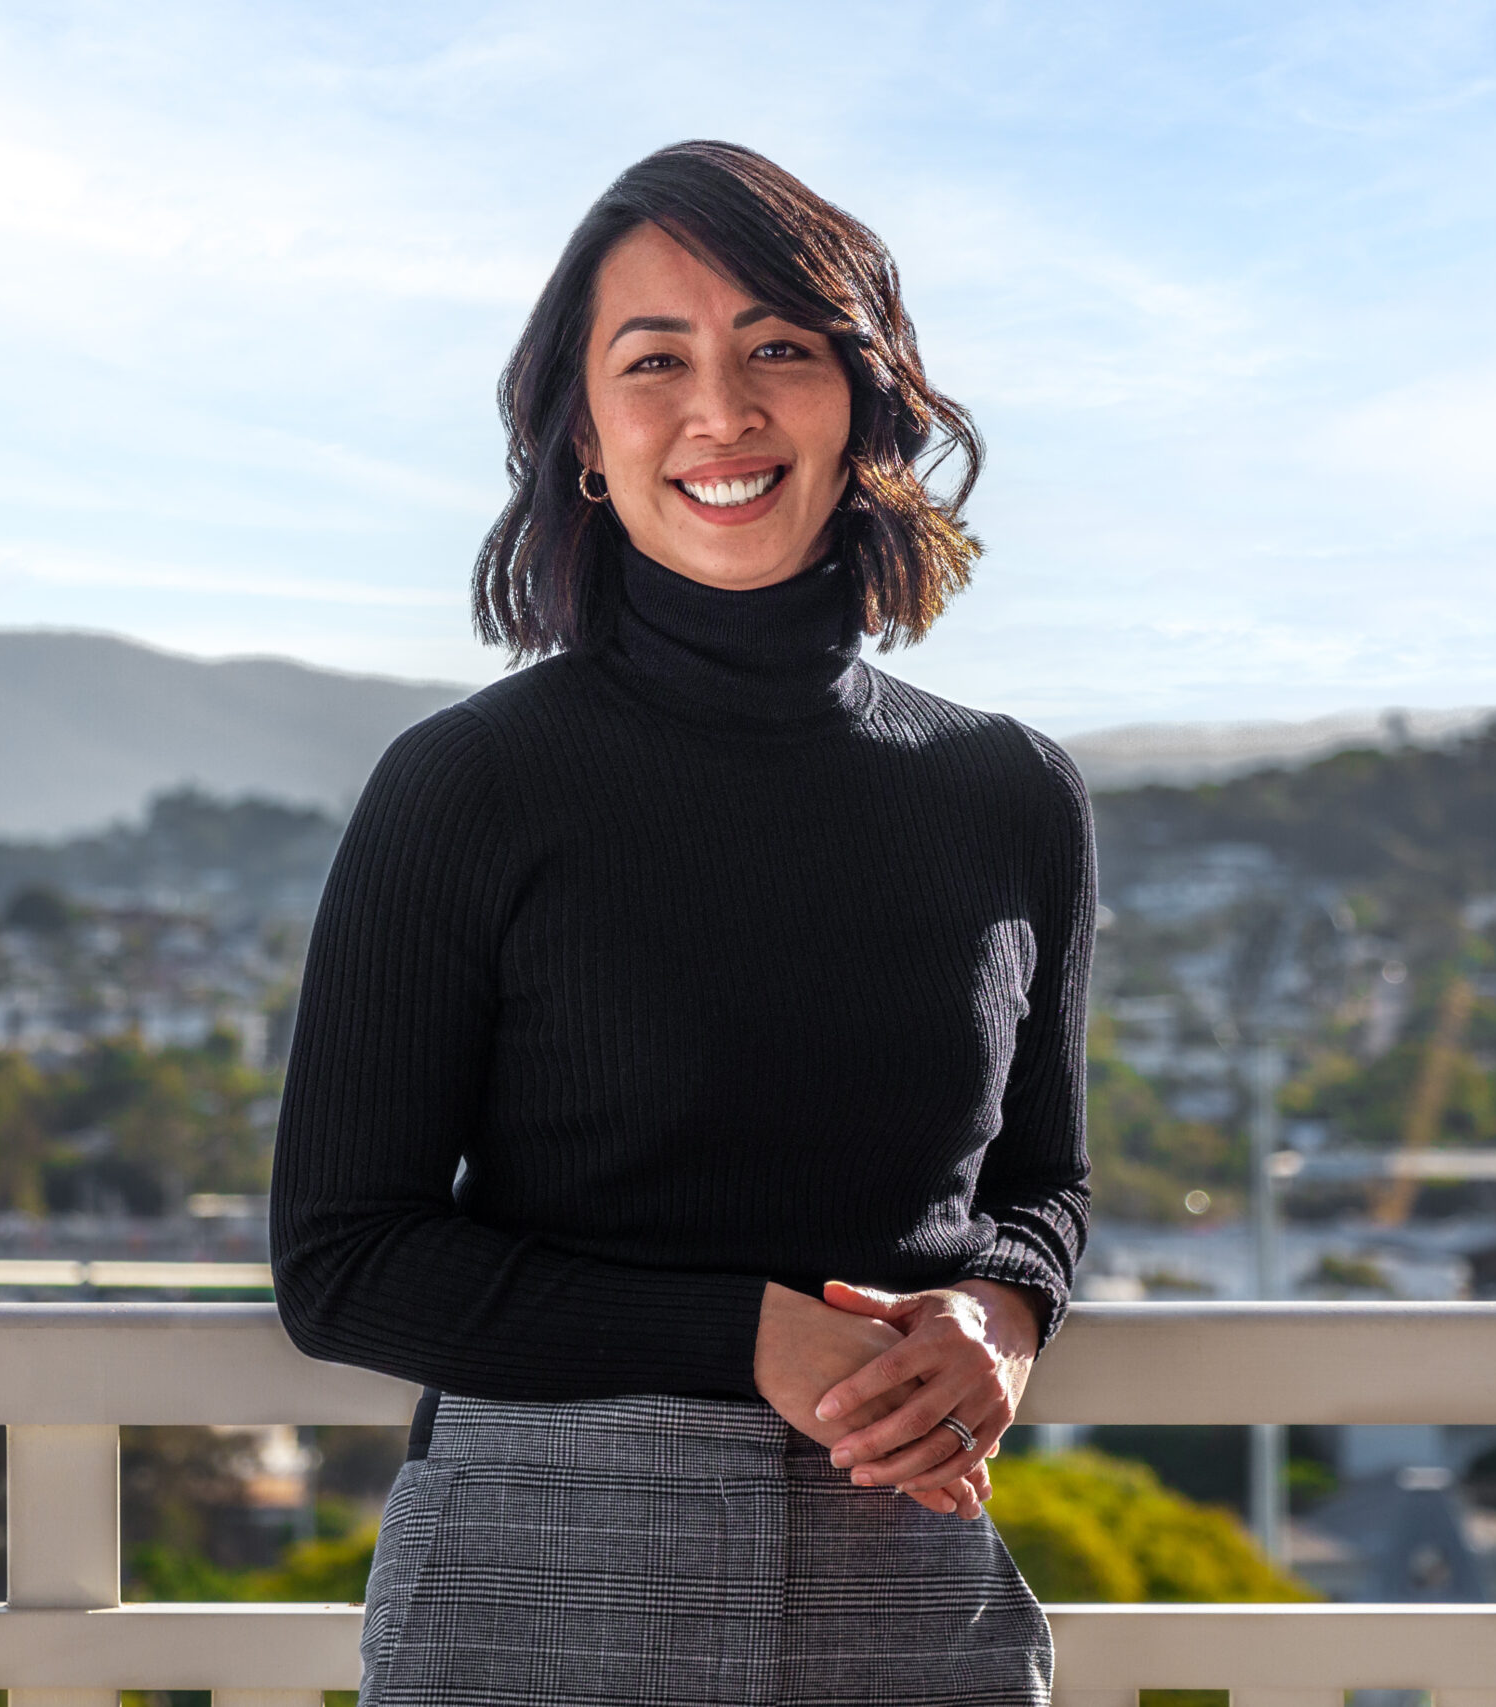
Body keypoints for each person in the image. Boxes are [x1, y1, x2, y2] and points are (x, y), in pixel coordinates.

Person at [269, 139, 1094, 1707]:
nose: (722, 412)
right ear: (585, 433)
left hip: (903, 1571)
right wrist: (750, 1338)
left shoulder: (1011, 791)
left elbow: (1043, 1180)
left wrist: (1002, 1317)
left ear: (861, 396)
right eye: (657, 362)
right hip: (541, 1569)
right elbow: (341, 1261)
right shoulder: (467, 785)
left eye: (779, 347)